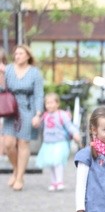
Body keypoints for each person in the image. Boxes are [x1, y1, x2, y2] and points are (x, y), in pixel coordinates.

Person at [1, 45, 45, 191]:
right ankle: (16, 168)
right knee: (8, 143)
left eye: (21, 53)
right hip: (10, 109)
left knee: (23, 143)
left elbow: (39, 94)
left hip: (27, 109)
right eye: (16, 53)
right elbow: (2, 90)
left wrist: (38, 114)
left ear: (27, 56)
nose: (17, 56)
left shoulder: (35, 73)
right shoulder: (7, 70)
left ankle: (19, 177)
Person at [35, 92, 82, 191]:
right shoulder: (45, 115)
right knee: (51, 164)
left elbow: (69, 126)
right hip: (48, 143)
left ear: (57, 104)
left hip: (60, 142)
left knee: (58, 162)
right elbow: (41, 126)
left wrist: (75, 133)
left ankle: (59, 181)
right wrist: (36, 123)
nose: (50, 105)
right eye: (47, 103)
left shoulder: (62, 115)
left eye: (52, 103)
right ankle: (54, 182)